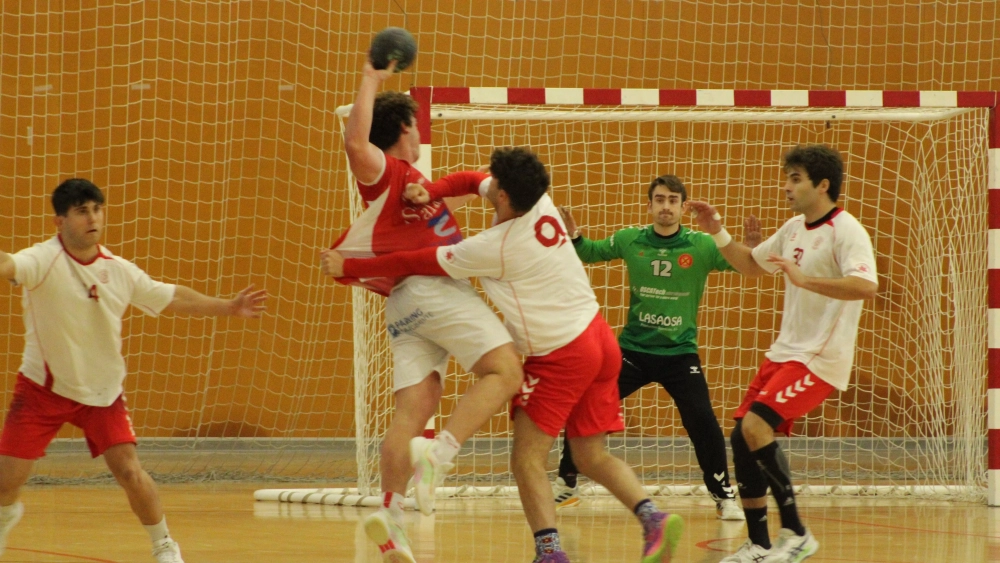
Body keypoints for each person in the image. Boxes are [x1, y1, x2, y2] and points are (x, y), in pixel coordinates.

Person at [324, 147, 685, 563]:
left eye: (493, 181)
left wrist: (351, 267)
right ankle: (653, 518)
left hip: (562, 354)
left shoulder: (493, 247)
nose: (487, 181)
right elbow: (469, 180)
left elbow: (419, 260)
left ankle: (549, 553)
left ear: (504, 196)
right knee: (590, 455)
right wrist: (432, 191)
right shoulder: (539, 201)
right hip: (600, 338)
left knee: (526, 457)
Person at [0, 178, 268, 563]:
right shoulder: (42, 260)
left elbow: (172, 296)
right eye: (81, 211)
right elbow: (9, 264)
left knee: (129, 472)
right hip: (43, 388)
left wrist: (227, 306)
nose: (93, 218)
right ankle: (5, 518)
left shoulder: (119, 270)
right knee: (6, 479)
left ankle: (164, 546)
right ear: (60, 221)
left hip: (102, 391)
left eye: (97, 209)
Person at [331, 61, 523, 563]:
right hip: (434, 292)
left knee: (413, 412)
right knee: (506, 370)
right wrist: (372, 78)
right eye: (415, 125)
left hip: (406, 306)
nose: (420, 133)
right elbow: (355, 144)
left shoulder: (417, 182)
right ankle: (439, 456)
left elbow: (467, 184)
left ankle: (391, 520)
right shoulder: (386, 172)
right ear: (404, 128)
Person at [687, 144, 878, 563]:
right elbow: (751, 265)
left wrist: (805, 280)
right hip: (784, 353)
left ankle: (796, 532)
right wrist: (716, 230)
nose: (787, 186)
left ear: (822, 185)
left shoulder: (846, 230)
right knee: (742, 437)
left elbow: (866, 286)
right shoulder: (793, 228)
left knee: (757, 426)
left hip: (819, 358)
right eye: (787, 178)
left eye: (795, 179)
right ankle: (758, 544)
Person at [553, 174, 758, 520]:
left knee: (703, 423)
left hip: (679, 354)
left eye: (673, 200)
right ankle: (567, 483)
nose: (666, 206)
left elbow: (744, 266)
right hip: (633, 352)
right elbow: (589, 252)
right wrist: (574, 236)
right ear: (649, 205)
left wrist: (753, 249)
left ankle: (724, 496)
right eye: (660, 199)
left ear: (683, 207)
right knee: (585, 404)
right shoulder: (630, 239)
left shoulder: (702, 244)